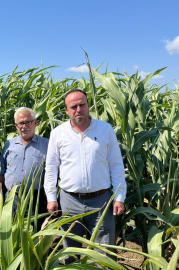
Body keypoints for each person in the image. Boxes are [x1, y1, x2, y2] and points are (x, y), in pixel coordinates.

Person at [44, 89, 126, 264]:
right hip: (69, 202)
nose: (78, 109)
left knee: (104, 255)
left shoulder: (105, 129)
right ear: (66, 111)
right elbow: (51, 168)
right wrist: (51, 197)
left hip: (101, 201)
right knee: (70, 254)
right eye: (73, 107)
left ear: (88, 106)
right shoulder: (58, 133)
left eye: (82, 105)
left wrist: (119, 197)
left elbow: (116, 165)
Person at [0, 107, 48, 229]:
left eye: (28, 122)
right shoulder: (9, 145)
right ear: (16, 126)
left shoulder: (46, 144)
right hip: (11, 198)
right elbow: (1, 172)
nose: (24, 126)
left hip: (35, 199)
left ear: (35, 123)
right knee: (10, 233)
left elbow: (53, 173)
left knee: (33, 233)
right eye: (21, 123)